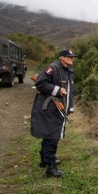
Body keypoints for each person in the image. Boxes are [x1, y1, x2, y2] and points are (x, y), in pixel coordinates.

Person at [30, 49, 76, 178]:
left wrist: (69, 108)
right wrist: (57, 90)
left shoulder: (68, 71)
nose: (71, 58)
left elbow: (69, 91)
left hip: (60, 109)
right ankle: (51, 167)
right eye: (68, 57)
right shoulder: (53, 68)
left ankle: (45, 160)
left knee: (49, 134)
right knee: (53, 136)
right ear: (61, 57)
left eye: (72, 57)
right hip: (50, 108)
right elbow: (40, 83)